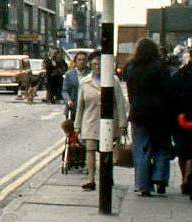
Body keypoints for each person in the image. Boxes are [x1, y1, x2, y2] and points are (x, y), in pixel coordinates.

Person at [123, 37, 174, 196]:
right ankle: (159, 178)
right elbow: (168, 91)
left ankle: (143, 185)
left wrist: (135, 104)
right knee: (161, 145)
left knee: (141, 148)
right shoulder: (161, 66)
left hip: (139, 113)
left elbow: (130, 92)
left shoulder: (131, 67)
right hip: (160, 113)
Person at [74, 53, 128, 191]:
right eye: (94, 64)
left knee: (107, 152)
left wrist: (123, 124)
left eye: (99, 64)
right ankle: (91, 180)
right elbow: (80, 105)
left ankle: (107, 177)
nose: (97, 67)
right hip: (90, 121)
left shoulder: (113, 80)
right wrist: (77, 125)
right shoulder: (85, 82)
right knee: (90, 150)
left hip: (109, 123)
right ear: (90, 65)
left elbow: (120, 103)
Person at [170, 48, 192, 197]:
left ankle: (185, 175)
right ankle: (188, 175)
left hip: (180, 118)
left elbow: (172, 96)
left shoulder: (180, 74)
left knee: (182, 151)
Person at [62, 52, 87, 119]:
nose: (81, 62)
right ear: (75, 61)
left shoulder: (90, 74)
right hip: (73, 108)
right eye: (79, 59)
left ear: (86, 61)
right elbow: (64, 91)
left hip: (87, 109)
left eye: (83, 60)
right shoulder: (69, 74)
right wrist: (68, 100)